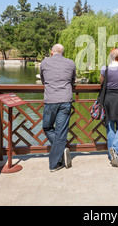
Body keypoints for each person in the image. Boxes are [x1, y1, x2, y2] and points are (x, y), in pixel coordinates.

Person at [40, 44, 76, 172]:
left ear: (51, 52)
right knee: (61, 131)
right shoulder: (70, 63)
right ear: (62, 52)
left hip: (51, 100)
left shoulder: (44, 63)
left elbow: (43, 80)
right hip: (66, 99)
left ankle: (55, 162)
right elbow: (73, 80)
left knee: (47, 127)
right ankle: (59, 153)